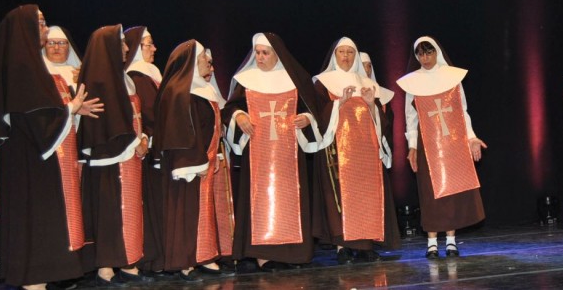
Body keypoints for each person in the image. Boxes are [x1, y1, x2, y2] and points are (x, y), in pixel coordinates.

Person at [0, 6, 101, 290]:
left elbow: (47, 115)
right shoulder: (22, 67)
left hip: (37, 161)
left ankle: (42, 281)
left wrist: (73, 112)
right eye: (41, 23)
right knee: (36, 219)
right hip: (29, 162)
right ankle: (35, 282)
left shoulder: (30, 66)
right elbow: (36, 119)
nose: (46, 29)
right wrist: (70, 108)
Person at [222, 32, 322, 271]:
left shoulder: (294, 80)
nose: (260, 57)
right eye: (257, 52)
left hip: (288, 155)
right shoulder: (246, 80)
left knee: (290, 199)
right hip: (258, 153)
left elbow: (313, 108)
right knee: (260, 200)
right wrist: (239, 115)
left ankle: (292, 254)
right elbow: (229, 108)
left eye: (265, 53)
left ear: (277, 55)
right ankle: (262, 256)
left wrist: (307, 119)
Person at [396, 36, 486, 258]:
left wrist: (472, 138)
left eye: (429, 53)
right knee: (429, 193)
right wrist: (412, 147)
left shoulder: (452, 77)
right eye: (421, 54)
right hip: (427, 145)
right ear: (416, 56)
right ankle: (432, 243)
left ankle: (452, 241)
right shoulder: (412, 82)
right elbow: (411, 118)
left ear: (437, 52)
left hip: (452, 143)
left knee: (451, 192)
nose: (425, 58)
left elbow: (462, 111)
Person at [312, 37, 400, 264]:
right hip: (337, 150)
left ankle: (365, 245)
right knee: (340, 198)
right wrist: (338, 104)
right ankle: (342, 246)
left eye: (350, 52)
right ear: (334, 55)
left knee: (366, 196)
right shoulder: (323, 82)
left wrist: (371, 104)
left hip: (366, 152)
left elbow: (382, 122)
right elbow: (316, 116)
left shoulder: (366, 82)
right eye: (341, 52)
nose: (346, 56)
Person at [77, 24, 152, 286]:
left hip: (131, 154)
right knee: (110, 212)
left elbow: (135, 117)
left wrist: (143, 139)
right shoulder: (99, 79)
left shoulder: (125, 78)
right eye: (121, 44)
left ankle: (129, 262)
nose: (127, 48)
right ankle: (106, 268)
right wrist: (135, 143)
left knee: (130, 210)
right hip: (110, 159)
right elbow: (107, 124)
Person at [153, 40, 233, 282]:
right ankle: (185, 261)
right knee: (186, 212)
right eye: (202, 59)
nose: (207, 63)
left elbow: (210, 127)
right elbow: (180, 133)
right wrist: (193, 163)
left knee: (203, 212)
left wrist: (215, 153)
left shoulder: (199, 90)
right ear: (190, 62)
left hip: (204, 160)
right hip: (188, 165)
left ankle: (203, 256)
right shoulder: (178, 92)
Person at [123, 26, 167, 277]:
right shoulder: (136, 76)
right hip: (147, 149)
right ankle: (150, 260)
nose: (154, 49)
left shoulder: (152, 74)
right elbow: (148, 114)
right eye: (148, 44)